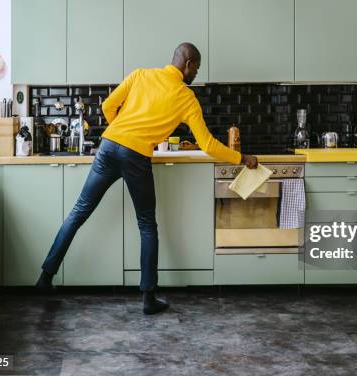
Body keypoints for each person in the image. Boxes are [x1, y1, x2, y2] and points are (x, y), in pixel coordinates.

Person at [35, 43, 258, 315]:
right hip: (135, 157)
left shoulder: (140, 74)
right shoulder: (186, 98)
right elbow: (209, 144)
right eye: (196, 68)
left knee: (78, 212)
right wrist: (241, 157)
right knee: (146, 225)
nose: (196, 74)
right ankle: (148, 298)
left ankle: (45, 277)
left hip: (108, 146)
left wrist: (120, 128)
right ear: (187, 64)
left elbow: (107, 105)